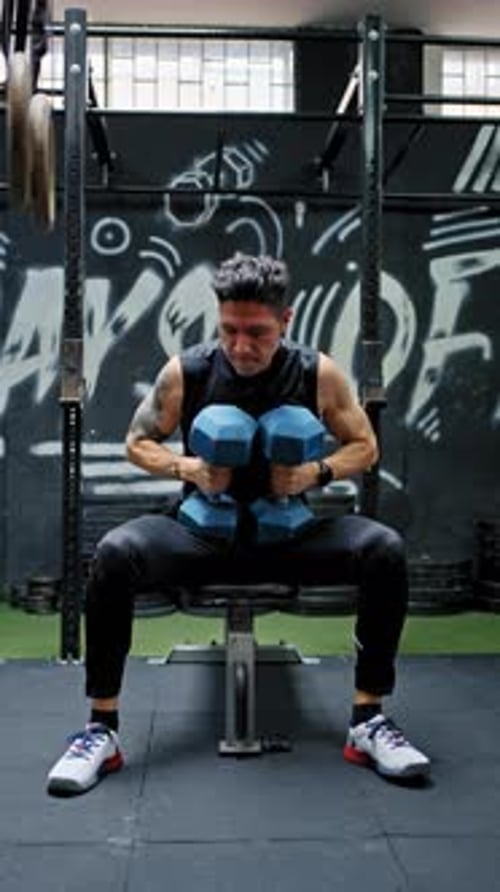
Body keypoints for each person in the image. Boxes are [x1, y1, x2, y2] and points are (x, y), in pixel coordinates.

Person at [47, 252, 430, 796]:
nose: (242, 346)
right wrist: (188, 469)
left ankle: (367, 719)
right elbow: (138, 443)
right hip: (203, 535)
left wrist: (313, 473)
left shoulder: (316, 373)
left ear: (287, 320)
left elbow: (365, 446)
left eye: (258, 332)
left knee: (384, 549)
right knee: (114, 553)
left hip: (289, 535)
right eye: (229, 330)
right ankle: (100, 729)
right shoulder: (190, 370)